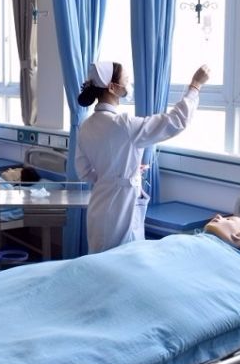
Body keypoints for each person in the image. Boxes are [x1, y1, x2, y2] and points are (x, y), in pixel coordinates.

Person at [76, 61, 210, 254]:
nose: (129, 84)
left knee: (98, 260)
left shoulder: (86, 126)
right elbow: (175, 121)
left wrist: (119, 171)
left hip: (98, 206)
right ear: (112, 87)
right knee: (122, 261)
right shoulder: (123, 125)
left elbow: (84, 171)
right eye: (126, 80)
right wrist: (195, 86)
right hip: (120, 210)